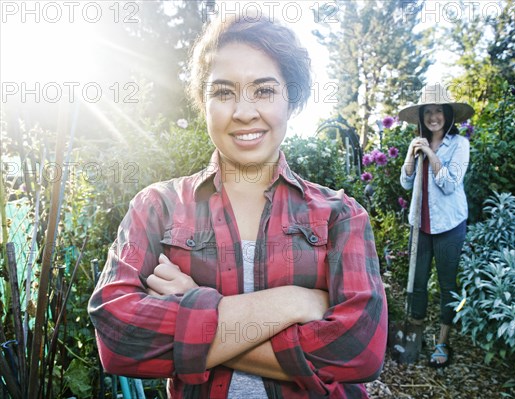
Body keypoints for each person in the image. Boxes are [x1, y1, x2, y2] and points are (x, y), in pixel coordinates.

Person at [88, 14, 387, 399]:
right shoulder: (157, 208)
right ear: (203, 103)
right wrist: (294, 301)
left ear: (290, 100)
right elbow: (119, 339)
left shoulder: (340, 215)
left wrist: (195, 309)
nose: (244, 111)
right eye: (224, 92)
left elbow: (359, 351)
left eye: (263, 90)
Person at [398, 83, 473, 368]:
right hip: (421, 225)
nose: (433, 117)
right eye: (428, 112)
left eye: (438, 111)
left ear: (448, 114)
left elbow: (450, 184)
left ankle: (443, 341)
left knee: (446, 285)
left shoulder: (460, 145)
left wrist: (431, 155)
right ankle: (414, 338)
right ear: (422, 116)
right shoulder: (417, 143)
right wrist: (411, 154)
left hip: (450, 227)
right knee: (417, 283)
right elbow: (406, 183)